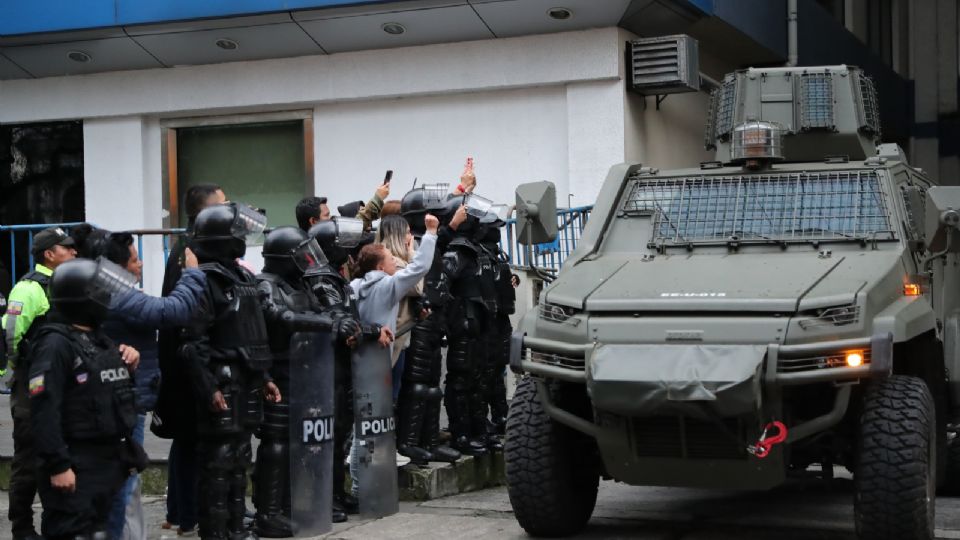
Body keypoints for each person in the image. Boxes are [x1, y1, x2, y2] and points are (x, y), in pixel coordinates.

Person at [91, 232, 207, 540]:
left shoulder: (109, 290)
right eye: (134, 258)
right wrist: (192, 275)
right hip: (125, 399)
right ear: (118, 267)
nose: (140, 262)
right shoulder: (118, 295)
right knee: (125, 480)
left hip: (130, 395)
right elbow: (170, 311)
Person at [177, 202, 281, 540]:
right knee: (219, 464)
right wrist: (208, 388)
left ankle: (237, 529)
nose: (240, 239)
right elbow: (193, 344)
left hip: (246, 380)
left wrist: (264, 377)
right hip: (222, 381)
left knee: (239, 461)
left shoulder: (241, 276)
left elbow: (250, 331)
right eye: (235, 233)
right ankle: (217, 532)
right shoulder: (204, 281)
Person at [253, 227, 360, 537]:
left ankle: (289, 506)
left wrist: (342, 321)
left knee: (302, 445)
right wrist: (328, 323)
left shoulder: (302, 284)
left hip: (306, 374)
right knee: (276, 445)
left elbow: (324, 311)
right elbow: (280, 318)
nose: (307, 259)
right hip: (280, 374)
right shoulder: (265, 285)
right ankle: (268, 512)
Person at [29, 257, 146, 539]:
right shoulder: (54, 344)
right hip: (75, 464)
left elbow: (108, 394)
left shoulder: (98, 339)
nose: (106, 299)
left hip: (107, 462)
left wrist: (128, 365)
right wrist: (59, 466)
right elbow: (44, 410)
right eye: (99, 292)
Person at [347, 214, 438, 493]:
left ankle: (359, 485)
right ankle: (364, 488)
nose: (392, 261)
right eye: (388, 257)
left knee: (360, 425)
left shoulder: (354, 287)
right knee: (368, 426)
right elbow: (420, 268)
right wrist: (431, 233)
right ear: (380, 265)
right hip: (377, 362)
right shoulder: (388, 286)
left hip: (357, 361)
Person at [154, 183, 225, 536]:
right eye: (222, 207)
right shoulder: (191, 252)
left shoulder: (191, 247)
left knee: (186, 440)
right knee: (191, 439)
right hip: (186, 359)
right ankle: (188, 514)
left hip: (183, 355)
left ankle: (179, 511)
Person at [306, 217, 387, 521]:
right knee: (328, 437)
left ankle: (338, 494)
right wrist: (369, 330)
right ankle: (325, 498)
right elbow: (337, 319)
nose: (350, 248)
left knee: (340, 434)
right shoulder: (321, 279)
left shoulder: (334, 276)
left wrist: (365, 329)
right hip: (328, 366)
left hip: (342, 365)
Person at [2, 226, 77, 540]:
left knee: (56, 453)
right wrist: (20, 368)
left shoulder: (67, 284)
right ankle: (21, 526)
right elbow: (10, 334)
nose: (73, 252)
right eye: (67, 248)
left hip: (61, 385)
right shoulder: (29, 288)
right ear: (49, 254)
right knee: (28, 461)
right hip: (31, 386)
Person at [395, 188, 466, 465]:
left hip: (436, 316)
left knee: (432, 384)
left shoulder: (430, 241)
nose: (438, 216)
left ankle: (430, 440)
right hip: (419, 319)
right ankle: (409, 442)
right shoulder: (409, 244)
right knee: (417, 383)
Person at [374, 215, 419, 401]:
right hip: (394, 335)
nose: (411, 237)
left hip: (398, 334)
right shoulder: (395, 264)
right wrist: (413, 256)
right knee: (389, 394)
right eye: (408, 233)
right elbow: (416, 287)